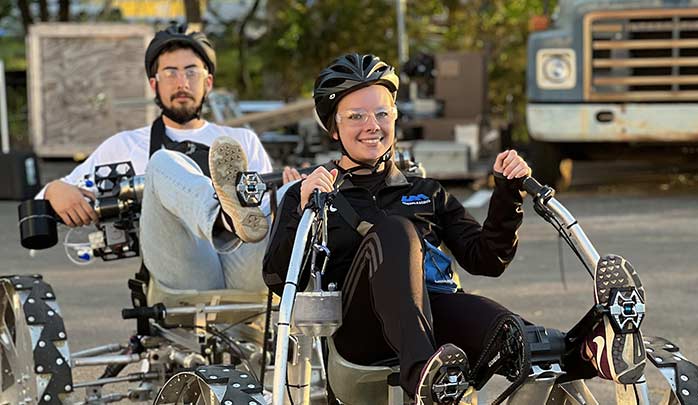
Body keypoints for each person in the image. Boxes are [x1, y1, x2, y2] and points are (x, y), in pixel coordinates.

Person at [262, 53, 646, 404]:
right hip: (358, 337)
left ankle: (588, 349)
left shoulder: (425, 192)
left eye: (382, 113)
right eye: (356, 116)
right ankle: (420, 375)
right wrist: (299, 205)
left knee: (503, 329)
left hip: (435, 318)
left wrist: (507, 194)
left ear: (395, 117)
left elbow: (488, 259)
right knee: (396, 233)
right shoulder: (312, 193)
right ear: (334, 128)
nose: (372, 126)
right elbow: (278, 277)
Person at [39, 24, 299, 291]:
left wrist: (290, 195)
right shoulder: (126, 145)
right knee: (163, 162)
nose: (182, 82)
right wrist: (54, 189)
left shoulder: (240, 142)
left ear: (208, 82)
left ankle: (234, 217)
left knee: (293, 191)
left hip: (244, 271)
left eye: (191, 72)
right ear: (154, 84)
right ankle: (222, 219)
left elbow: (262, 217)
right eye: (171, 73)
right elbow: (45, 200)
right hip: (185, 271)